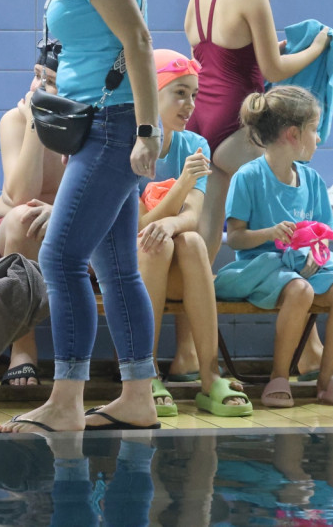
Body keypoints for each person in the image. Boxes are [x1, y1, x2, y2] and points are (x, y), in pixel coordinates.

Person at [0, 0, 160, 433]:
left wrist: (148, 129)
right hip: (99, 119)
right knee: (116, 265)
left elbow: (137, 39)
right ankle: (137, 395)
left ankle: (66, 400)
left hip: (115, 125)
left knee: (60, 258)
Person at [184, 0, 331, 263]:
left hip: (201, 120)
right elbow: (274, 71)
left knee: (208, 227)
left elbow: (218, 59)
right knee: (294, 201)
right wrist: (317, 47)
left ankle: (195, 300)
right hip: (238, 122)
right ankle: (294, 298)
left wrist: (267, 48)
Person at [213, 86, 333, 409]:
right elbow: (236, 238)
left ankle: (327, 380)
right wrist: (270, 233)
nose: (319, 138)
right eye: (314, 129)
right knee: (300, 291)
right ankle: (279, 376)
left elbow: (324, 235)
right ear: (293, 134)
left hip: (300, 266)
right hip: (260, 267)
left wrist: (315, 253)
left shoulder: (313, 181)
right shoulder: (248, 177)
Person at [137, 49, 252, 418]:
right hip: (124, 267)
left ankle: (209, 375)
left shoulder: (196, 145)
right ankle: (146, 372)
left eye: (194, 94)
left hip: (171, 265)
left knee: (190, 240)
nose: (190, 104)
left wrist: (173, 220)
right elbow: (138, 227)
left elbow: (193, 216)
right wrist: (181, 184)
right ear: (150, 94)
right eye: (179, 93)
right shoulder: (132, 148)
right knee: (156, 244)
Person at [0, 65, 66, 386]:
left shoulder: (93, 122)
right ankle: (22, 349)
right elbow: (21, 196)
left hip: (74, 234)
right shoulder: (15, 120)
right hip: (15, 242)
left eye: (54, 83)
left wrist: (59, 212)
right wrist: (36, 124)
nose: (41, 89)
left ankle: (128, 356)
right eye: (39, 77)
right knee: (23, 216)